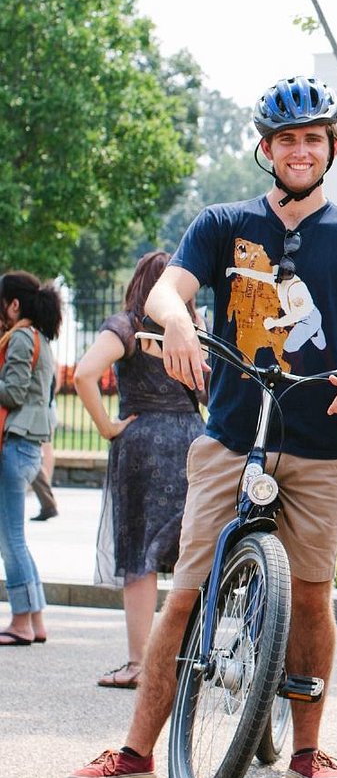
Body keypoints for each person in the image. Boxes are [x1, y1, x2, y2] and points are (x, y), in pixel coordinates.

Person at [66, 73, 337, 778]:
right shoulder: (223, 224)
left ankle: (310, 750)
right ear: (266, 148)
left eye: (313, 138)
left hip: (320, 440)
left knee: (312, 595)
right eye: (287, 139)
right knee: (187, 591)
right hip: (229, 434)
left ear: (332, 146)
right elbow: (165, 290)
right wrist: (182, 321)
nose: (300, 150)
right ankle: (134, 754)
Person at [73, 250, 206, 689]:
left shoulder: (126, 327)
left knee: (140, 558)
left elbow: (83, 375)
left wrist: (108, 427)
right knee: (192, 553)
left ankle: (138, 664)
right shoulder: (192, 331)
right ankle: (187, 660)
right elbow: (209, 390)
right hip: (190, 441)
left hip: (142, 443)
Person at [0, 271, 62, 646]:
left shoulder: (22, 338)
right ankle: (35, 620)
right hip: (29, 445)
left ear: (14, 304)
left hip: (17, 444)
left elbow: (13, 393)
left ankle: (21, 620)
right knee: (15, 537)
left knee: (11, 540)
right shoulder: (38, 338)